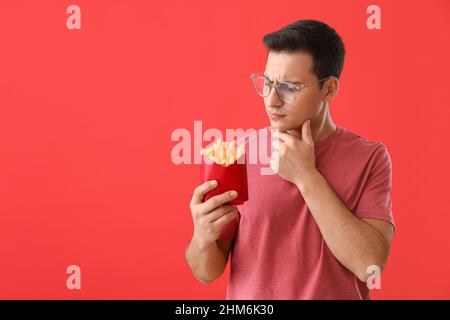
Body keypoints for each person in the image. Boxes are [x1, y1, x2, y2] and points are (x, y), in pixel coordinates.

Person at [185, 19, 395, 299]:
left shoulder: (370, 158)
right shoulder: (237, 154)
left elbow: (369, 264)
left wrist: (306, 176)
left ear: (329, 89)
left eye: (289, 87)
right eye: (267, 83)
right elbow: (205, 273)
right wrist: (201, 236)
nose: (271, 100)